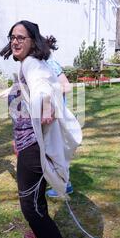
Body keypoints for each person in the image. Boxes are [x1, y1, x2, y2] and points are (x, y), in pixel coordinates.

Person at [0, 21, 82, 238]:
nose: (15, 41)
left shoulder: (30, 64)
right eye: (12, 37)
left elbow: (42, 87)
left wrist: (46, 104)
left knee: (30, 207)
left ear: (32, 41)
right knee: (36, 202)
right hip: (29, 142)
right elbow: (22, 87)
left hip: (32, 147)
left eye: (21, 37)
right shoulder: (30, 64)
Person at [45, 58, 74, 198]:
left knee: (57, 152)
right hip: (44, 116)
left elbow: (66, 86)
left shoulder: (49, 63)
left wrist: (48, 93)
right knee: (51, 151)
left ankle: (64, 186)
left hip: (55, 115)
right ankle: (60, 183)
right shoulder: (33, 63)